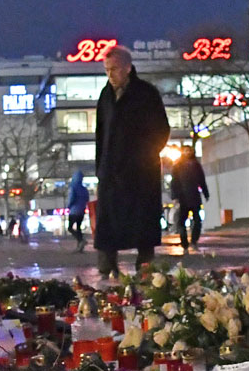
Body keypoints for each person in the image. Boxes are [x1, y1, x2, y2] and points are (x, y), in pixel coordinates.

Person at [93, 45, 171, 276]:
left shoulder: (146, 93)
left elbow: (161, 129)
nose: (110, 74)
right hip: (111, 170)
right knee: (109, 221)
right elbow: (100, 133)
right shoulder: (105, 96)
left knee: (142, 221)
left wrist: (146, 157)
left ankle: (145, 264)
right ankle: (107, 263)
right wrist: (101, 167)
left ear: (127, 68)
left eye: (114, 69)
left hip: (140, 172)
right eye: (107, 70)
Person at [170, 145, 209, 251]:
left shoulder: (193, 165)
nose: (187, 152)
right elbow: (174, 182)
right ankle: (187, 242)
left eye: (189, 150)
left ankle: (191, 241)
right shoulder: (180, 165)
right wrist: (175, 196)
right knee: (185, 221)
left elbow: (201, 180)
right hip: (186, 197)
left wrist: (206, 193)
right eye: (185, 151)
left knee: (195, 221)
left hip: (191, 197)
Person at [65, 170, 90, 250]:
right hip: (81, 210)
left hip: (74, 210)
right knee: (78, 228)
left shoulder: (73, 187)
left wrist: (68, 206)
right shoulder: (84, 189)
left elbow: (71, 198)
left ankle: (81, 240)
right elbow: (87, 199)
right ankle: (80, 246)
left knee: (70, 228)